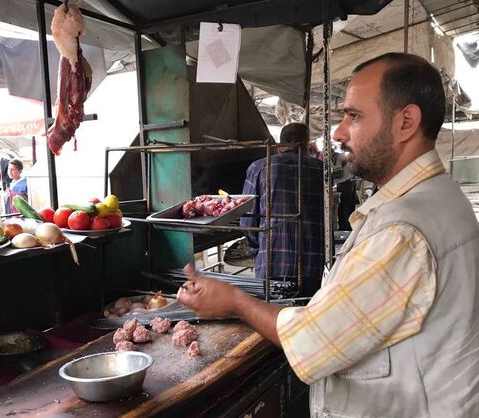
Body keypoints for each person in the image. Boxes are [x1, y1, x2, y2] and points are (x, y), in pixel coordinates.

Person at [178, 52, 479, 418]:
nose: (337, 131)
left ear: (406, 123)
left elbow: (310, 342)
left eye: (353, 115)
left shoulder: (402, 230)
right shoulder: (442, 197)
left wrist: (235, 301)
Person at [241, 122, 324, 297]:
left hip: (271, 262)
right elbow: (329, 219)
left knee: (271, 319)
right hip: (311, 264)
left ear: (279, 146)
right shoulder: (321, 169)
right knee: (305, 317)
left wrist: (258, 249)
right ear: (306, 143)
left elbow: (248, 220)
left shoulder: (259, 168)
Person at [332, 150, 357, 230]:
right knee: (349, 207)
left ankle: (344, 228)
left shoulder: (336, 158)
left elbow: (338, 174)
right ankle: (350, 228)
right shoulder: (340, 155)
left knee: (343, 208)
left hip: (344, 183)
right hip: (351, 181)